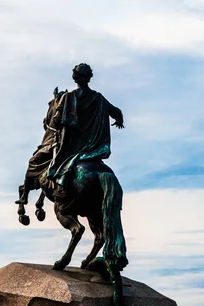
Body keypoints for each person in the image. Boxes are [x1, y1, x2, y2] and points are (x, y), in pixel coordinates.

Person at [15, 63, 124, 205]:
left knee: (34, 161)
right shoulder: (99, 98)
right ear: (89, 78)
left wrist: (50, 124)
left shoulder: (68, 97)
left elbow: (56, 121)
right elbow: (117, 112)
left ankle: (26, 196)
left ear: (75, 78)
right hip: (94, 151)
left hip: (71, 148)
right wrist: (119, 120)